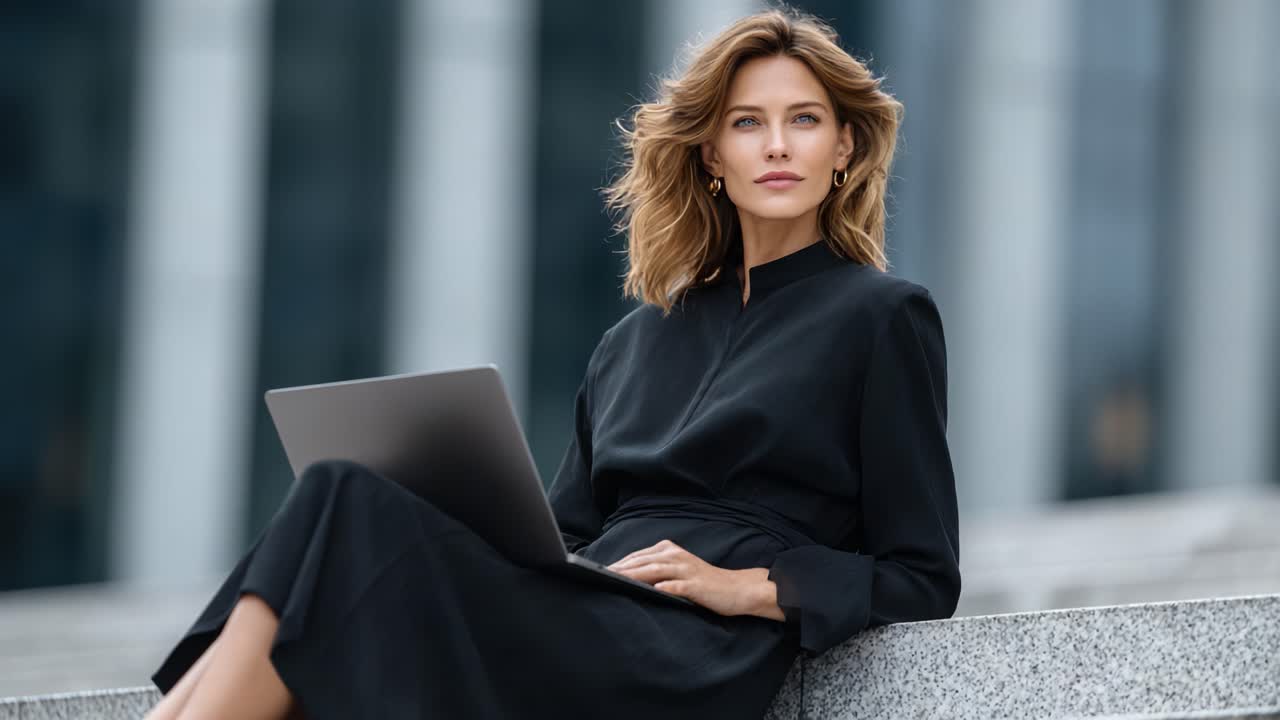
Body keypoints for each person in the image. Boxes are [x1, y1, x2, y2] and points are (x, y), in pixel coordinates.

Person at [144, 6, 960, 719]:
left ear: (846, 145)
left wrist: (746, 586)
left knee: (342, 498)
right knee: (337, 500)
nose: (777, 146)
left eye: (804, 121)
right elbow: (567, 535)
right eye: (747, 123)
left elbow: (921, 575)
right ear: (712, 156)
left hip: (685, 656)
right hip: (579, 616)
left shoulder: (883, 316)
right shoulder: (634, 340)